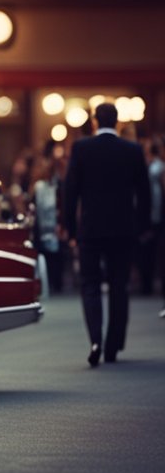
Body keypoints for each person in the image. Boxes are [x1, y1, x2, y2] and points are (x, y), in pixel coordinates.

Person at [61, 103, 152, 366]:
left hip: (90, 228)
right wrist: (143, 226)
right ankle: (113, 345)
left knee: (90, 285)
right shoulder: (132, 150)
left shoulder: (81, 148)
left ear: (94, 121)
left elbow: (71, 191)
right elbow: (143, 193)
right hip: (123, 228)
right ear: (118, 121)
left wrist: (70, 228)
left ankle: (95, 340)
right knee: (118, 286)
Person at [30, 152, 65, 296]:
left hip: (55, 224)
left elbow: (62, 205)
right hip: (43, 225)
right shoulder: (38, 187)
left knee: (57, 257)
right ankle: (48, 283)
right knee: (45, 255)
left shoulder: (59, 187)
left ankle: (57, 283)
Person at [137, 139, 162, 295]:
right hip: (148, 211)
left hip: (155, 211)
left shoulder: (158, 166)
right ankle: (146, 283)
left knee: (152, 250)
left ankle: (149, 282)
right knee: (146, 250)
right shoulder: (147, 165)